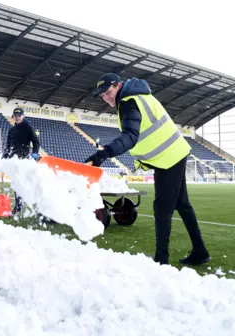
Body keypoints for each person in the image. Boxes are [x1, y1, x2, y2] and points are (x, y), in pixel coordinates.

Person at [85, 73, 211, 266]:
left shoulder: (129, 102)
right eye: (102, 95)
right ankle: (200, 251)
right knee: (182, 204)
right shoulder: (139, 97)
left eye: (108, 92)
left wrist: (103, 154)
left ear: (118, 86)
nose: (106, 97)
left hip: (168, 158)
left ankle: (162, 261)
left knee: (162, 209)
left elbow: (130, 136)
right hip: (172, 153)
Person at [3, 107, 40, 214]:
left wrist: (35, 153)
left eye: (19, 115)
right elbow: (8, 146)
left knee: (28, 183)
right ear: (13, 116)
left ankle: (35, 203)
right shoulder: (12, 130)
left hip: (25, 161)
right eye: (16, 116)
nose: (17, 117)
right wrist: (4, 157)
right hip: (14, 161)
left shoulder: (28, 128)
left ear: (23, 116)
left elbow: (36, 142)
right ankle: (18, 207)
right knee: (16, 183)